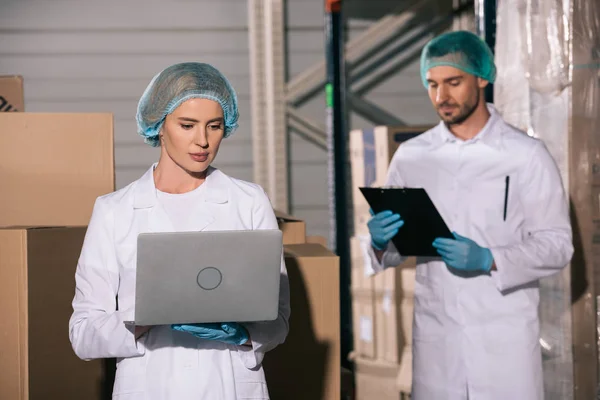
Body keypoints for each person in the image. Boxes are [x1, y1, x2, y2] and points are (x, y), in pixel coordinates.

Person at [366, 31, 573, 400]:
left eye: (453, 82)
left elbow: (558, 245)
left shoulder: (525, 155)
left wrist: (491, 258)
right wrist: (381, 243)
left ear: (482, 77)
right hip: (437, 342)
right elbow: (397, 248)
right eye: (432, 85)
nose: (441, 97)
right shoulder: (413, 157)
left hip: (504, 345)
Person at [69, 62, 290, 399]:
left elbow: (279, 320)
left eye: (214, 126)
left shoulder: (248, 201)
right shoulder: (114, 210)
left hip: (228, 385)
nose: (202, 140)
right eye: (187, 125)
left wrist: (241, 333)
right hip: (149, 386)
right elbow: (83, 333)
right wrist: (142, 320)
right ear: (159, 125)